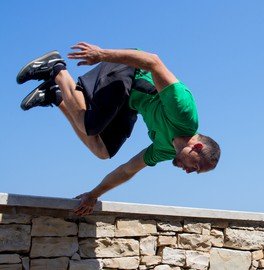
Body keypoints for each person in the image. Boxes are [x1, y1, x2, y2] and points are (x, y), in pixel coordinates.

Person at [16, 42, 221, 216]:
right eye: (195, 168)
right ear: (197, 147)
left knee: (103, 150)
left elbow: (127, 169)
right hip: (128, 70)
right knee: (91, 124)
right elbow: (153, 62)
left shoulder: (166, 150)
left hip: (129, 102)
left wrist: (93, 195)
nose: (187, 172)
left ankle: (55, 95)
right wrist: (101, 54)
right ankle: (56, 68)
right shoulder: (184, 114)